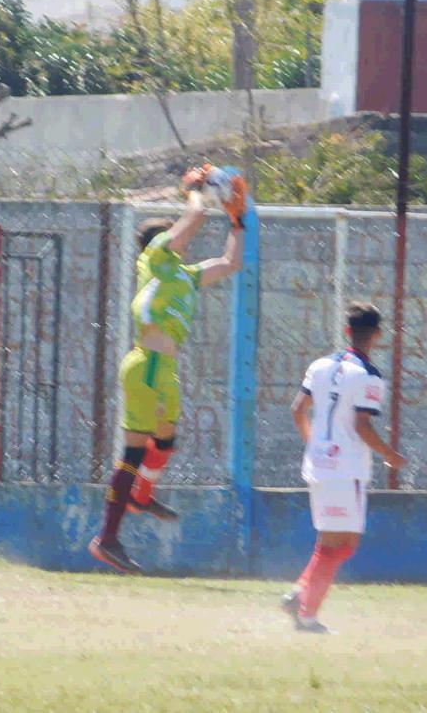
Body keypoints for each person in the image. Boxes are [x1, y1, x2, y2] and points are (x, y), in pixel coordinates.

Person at [89, 165, 249, 574]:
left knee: (166, 440)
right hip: (146, 363)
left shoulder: (185, 275)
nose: (182, 242)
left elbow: (231, 262)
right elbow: (193, 217)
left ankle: (140, 496)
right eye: (172, 236)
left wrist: (238, 221)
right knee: (134, 451)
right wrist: (195, 189)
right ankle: (107, 538)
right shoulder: (155, 258)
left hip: (164, 368)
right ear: (157, 244)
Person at [282, 302, 406, 633]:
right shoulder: (369, 375)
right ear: (377, 335)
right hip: (346, 467)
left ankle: (301, 595)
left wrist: (315, 444)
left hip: (319, 465)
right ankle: (306, 612)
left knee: (338, 542)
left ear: (347, 331)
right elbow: (362, 425)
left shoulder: (320, 365)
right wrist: (389, 455)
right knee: (340, 544)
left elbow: (297, 409)